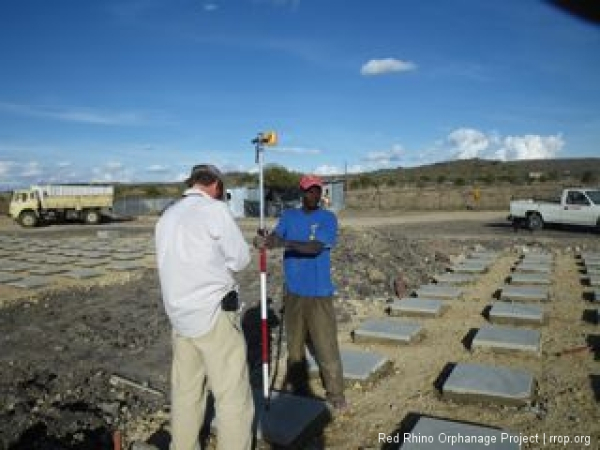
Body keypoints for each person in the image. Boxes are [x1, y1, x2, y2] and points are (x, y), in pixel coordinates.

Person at [155, 164, 254, 450]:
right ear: (216, 186)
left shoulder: (168, 216)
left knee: (186, 393)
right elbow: (240, 259)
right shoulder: (214, 210)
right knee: (232, 397)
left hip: (179, 318)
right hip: (213, 316)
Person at [254, 174, 347, 411]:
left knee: (325, 345)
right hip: (293, 292)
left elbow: (315, 248)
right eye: (308, 191)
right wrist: (265, 240)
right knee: (294, 347)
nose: (313, 195)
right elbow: (277, 236)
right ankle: (298, 388)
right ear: (301, 193)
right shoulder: (289, 216)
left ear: (321, 193)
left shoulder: (328, 218)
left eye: (317, 190)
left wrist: (284, 243)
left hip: (318, 293)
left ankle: (336, 393)